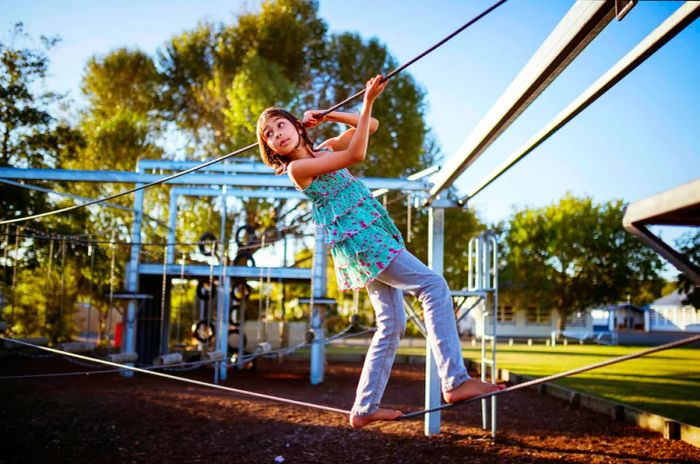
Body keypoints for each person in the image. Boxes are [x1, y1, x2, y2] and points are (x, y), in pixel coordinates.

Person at [256, 75, 503, 429]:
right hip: (364, 243)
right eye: (269, 135)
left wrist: (328, 115)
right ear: (272, 150)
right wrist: (368, 98)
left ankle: (364, 408)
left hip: (370, 237)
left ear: (296, 126)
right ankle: (455, 380)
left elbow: (369, 126)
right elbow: (357, 153)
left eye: (281, 125)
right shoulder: (298, 169)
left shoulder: (324, 148)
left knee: (392, 324)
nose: (277, 134)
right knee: (432, 286)